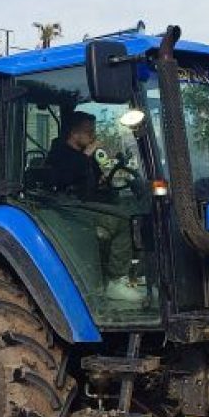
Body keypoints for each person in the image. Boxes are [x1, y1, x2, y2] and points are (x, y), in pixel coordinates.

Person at [46, 110, 145, 303]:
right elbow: (63, 179)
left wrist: (103, 179)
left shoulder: (86, 156)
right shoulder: (60, 155)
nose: (93, 136)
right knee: (123, 221)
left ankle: (136, 272)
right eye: (89, 132)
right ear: (74, 134)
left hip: (90, 205)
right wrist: (86, 155)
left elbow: (96, 178)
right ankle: (116, 281)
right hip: (70, 210)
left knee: (133, 210)